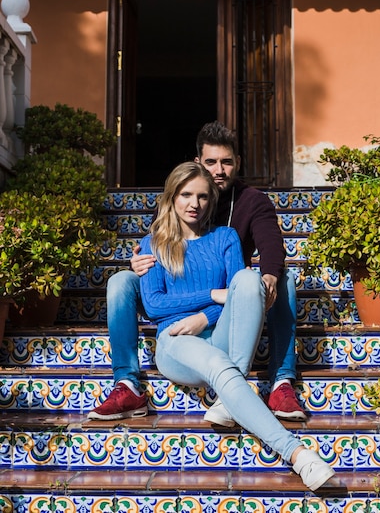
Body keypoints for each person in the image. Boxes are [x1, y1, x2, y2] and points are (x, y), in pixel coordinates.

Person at [130, 161, 335, 492]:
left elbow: (240, 295)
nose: (194, 204)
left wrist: (205, 317)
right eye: (185, 195)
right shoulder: (153, 244)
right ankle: (298, 455)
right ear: (171, 198)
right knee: (221, 367)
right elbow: (154, 305)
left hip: (219, 333)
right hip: (176, 340)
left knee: (247, 277)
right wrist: (212, 297)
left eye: (202, 197)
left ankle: (228, 399)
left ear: (212, 200)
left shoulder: (225, 238)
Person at [88, 121, 304, 424]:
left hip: (231, 293)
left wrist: (265, 279)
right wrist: (138, 263)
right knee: (120, 282)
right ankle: (128, 383)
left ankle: (281, 380)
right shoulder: (183, 194)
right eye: (211, 162)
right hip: (194, 293)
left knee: (283, 279)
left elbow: (271, 247)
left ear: (237, 163)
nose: (219, 170)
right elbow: (158, 244)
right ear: (197, 162)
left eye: (226, 162)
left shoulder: (252, 202)